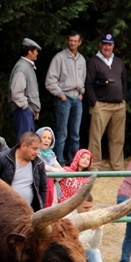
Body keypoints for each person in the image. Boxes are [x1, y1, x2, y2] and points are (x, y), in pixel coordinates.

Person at [85, 33, 127, 170]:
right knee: (95, 137)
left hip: (119, 105)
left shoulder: (118, 62)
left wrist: (123, 98)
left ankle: (117, 165)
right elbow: (88, 84)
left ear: (113, 46)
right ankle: (95, 164)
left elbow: (124, 81)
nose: (107, 47)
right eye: (104, 44)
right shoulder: (93, 62)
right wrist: (94, 102)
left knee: (117, 138)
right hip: (101, 105)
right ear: (100, 45)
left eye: (110, 44)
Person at [45, 31, 85, 165]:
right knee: (62, 133)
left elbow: (83, 79)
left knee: (75, 134)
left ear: (79, 42)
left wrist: (82, 93)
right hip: (65, 97)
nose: (72, 43)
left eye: (75, 41)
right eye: (70, 40)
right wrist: (61, 95)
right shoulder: (59, 58)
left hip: (77, 98)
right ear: (67, 41)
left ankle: (74, 163)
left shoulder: (82, 60)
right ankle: (59, 162)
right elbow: (50, 80)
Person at [0, 132, 46, 211]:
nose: (37, 152)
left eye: (38, 149)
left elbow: (42, 188)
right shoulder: (1, 159)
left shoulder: (39, 163)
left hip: (29, 212)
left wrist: (40, 209)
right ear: (24, 146)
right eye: (34, 148)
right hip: (4, 212)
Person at [71, 194, 109, 262]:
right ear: (77, 205)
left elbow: (94, 245)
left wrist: (99, 229)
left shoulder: (89, 215)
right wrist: (91, 229)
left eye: (90, 207)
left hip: (80, 252)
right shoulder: (69, 218)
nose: (89, 210)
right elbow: (74, 244)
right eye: (85, 208)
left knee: (95, 252)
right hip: (67, 253)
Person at [9, 38, 41, 138]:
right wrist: (27, 108)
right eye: (35, 51)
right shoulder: (22, 68)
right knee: (24, 142)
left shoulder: (26, 66)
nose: (37, 53)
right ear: (29, 52)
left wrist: (33, 109)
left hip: (26, 111)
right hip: (23, 111)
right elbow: (17, 93)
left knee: (28, 141)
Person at [36, 127, 63, 206]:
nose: (47, 140)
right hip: (39, 186)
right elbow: (42, 167)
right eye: (44, 137)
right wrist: (54, 170)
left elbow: (61, 173)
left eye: (49, 138)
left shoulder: (52, 155)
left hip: (52, 188)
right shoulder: (35, 152)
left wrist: (49, 169)